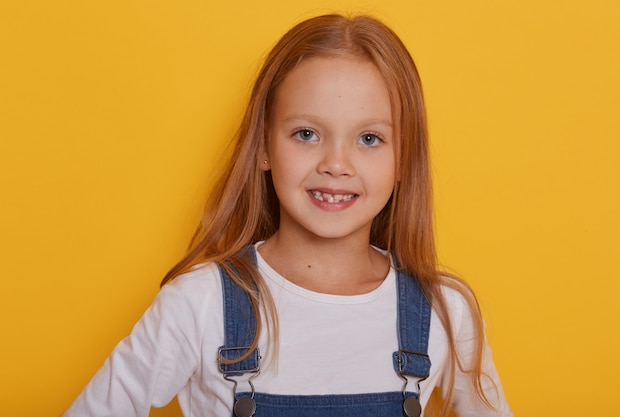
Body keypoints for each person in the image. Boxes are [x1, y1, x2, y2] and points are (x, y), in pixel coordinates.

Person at [63, 13, 512, 417]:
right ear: (263, 147)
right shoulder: (198, 305)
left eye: (370, 139)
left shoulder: (445, 311)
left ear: (404, 160)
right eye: (306, 133)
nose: (337, 164)